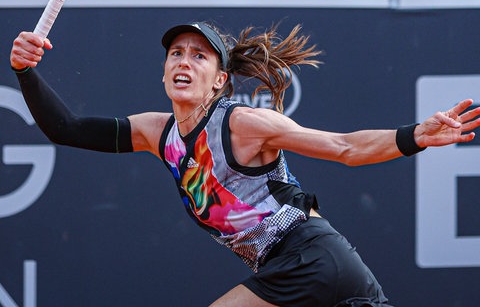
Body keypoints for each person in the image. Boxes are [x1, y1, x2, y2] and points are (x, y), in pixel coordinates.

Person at [10, 22, 480, 307]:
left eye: (200, 56)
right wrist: (25, 72)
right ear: (163, 70)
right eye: (177, 53)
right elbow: (66, 129)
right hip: (301, 274)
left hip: (312, 260)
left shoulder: (243, 123)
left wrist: (416, 135)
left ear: (218, 81)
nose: (185, 62)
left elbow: (343, 147)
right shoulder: (158, 133)